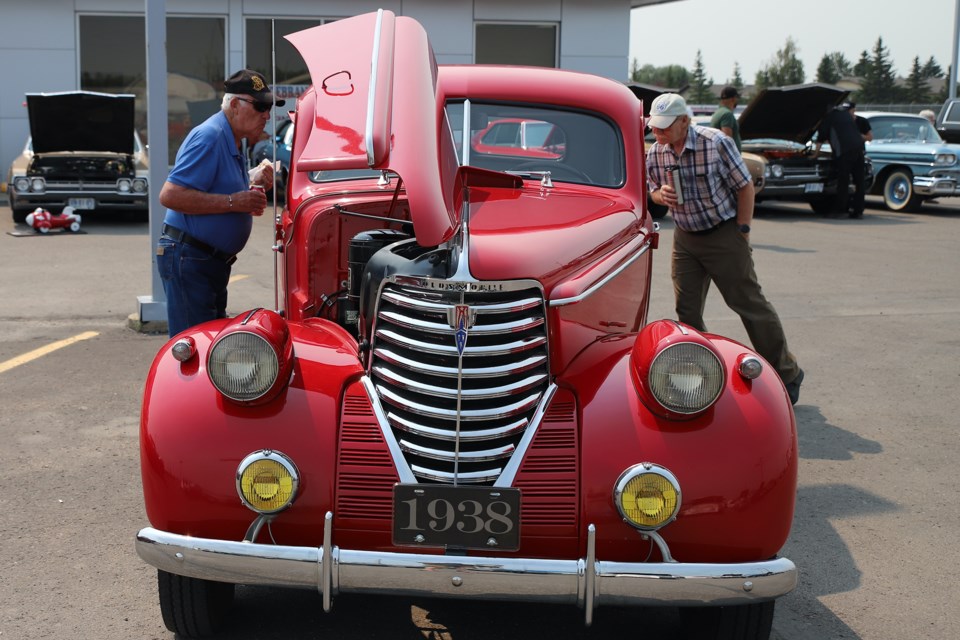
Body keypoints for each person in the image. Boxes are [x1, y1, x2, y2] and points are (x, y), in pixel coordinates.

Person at [645, 93, 804, 405]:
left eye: (665, 127)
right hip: (686, 239)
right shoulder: (657, 154)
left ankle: (787, 373)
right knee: (687, 312)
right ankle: (700, 378)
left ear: (684, 122)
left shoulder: (715, 143)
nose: (658, 134)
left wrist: (742, 230)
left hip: (722, 233)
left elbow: (744, 185)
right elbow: (651, 189)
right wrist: (659, 196)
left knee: (747, 303)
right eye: (655, 127)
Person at [156, 69, 284, 337]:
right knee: (195, 347)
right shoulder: (210, 137)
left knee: (208, 347)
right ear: (235, 105)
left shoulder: (230, 139)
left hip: (205, 260)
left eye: (269, 107)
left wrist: (251, 180)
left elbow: (213, 183)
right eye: (260, 106)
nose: (267, 115)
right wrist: (234, 202)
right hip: (191, 258)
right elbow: (171, 195)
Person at [816, 101, 866, 219]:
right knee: (859, 181)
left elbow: (820, 138)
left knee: (843, 182)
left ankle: (839, 210)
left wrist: (815, 155)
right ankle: (858, 210)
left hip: (844, 152)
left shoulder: (828, 118)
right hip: (859, 150)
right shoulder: (845, 115)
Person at [710, 85, 742, 151]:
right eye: (737, 98)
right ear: (734, 99)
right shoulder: (727, 114)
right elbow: (727, 141)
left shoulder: (718, 112)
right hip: (728, 159)